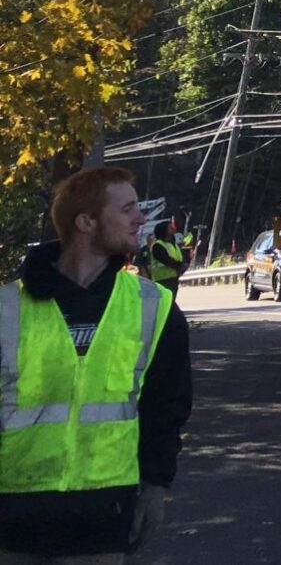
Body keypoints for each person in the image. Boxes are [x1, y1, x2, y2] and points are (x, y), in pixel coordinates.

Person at [0, 166, 193, 563]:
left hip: (104, 508)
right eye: (127, 209)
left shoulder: (153, 306)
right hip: (14, 508)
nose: (140, 218)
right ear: (86, 221)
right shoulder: (7, 307)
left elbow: (166, 407)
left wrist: (155, 486)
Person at [142, 224, 184, 301]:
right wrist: (179, 266)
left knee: (170, 302)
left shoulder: (173, 244)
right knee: (166, 303)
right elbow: (166, 260)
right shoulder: (158, 245)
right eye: (170, 228)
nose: (173, 229)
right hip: (162, 280)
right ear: (164, 230)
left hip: (173, 278)